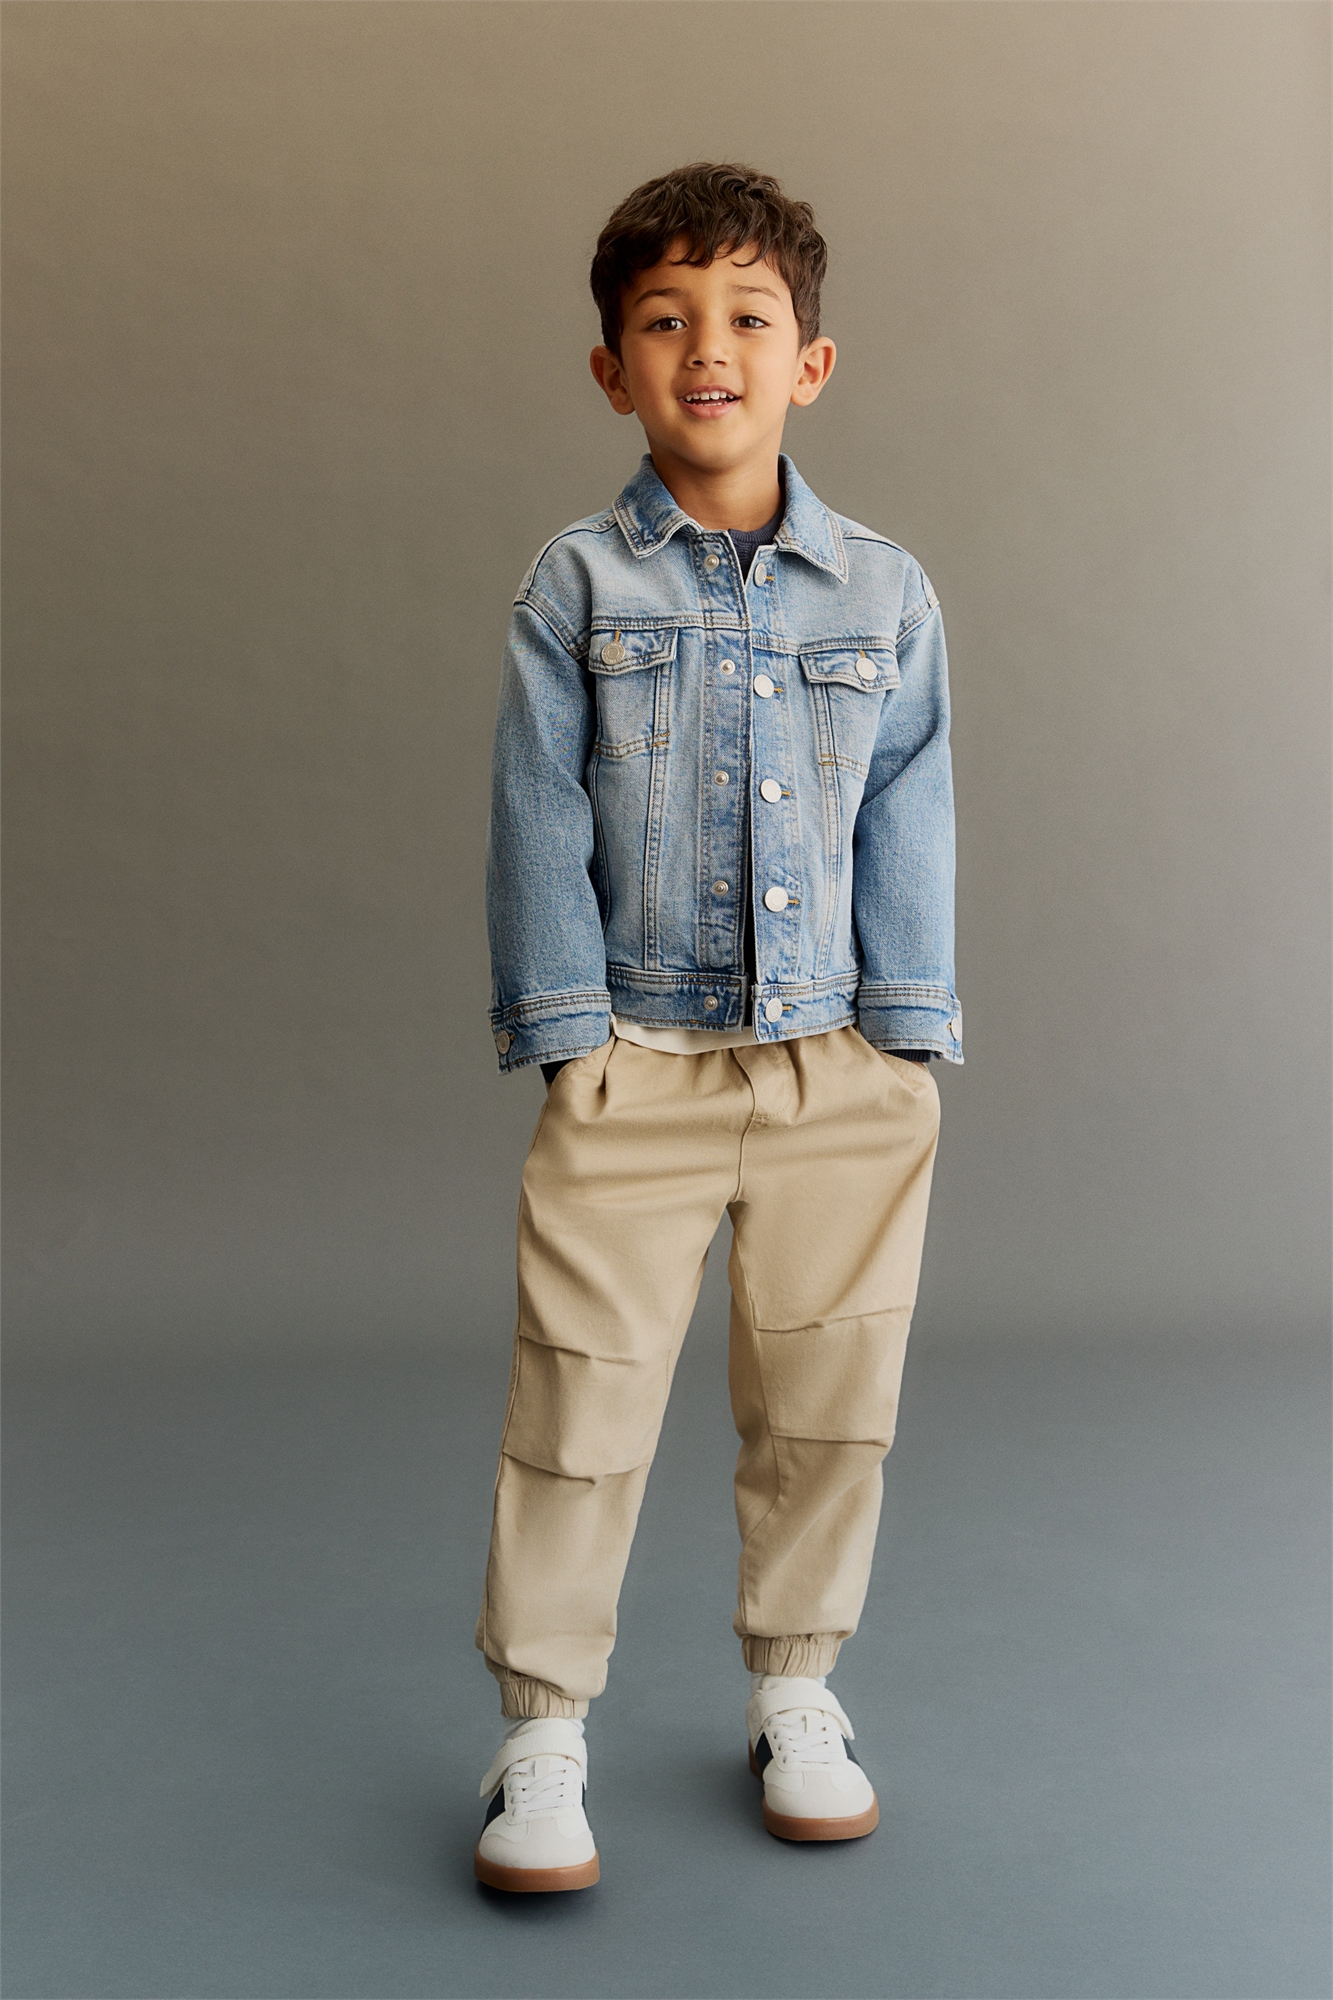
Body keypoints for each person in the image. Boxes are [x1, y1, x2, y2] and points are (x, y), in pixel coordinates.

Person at [473, 163, 960, 1893]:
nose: (707, 350)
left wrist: (900, 1042)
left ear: (806, 363)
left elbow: (909, 812)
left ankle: (796, 1692)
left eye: (747, 318)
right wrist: (570, 1039)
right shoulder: (577, 587)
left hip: (837, 1073)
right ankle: (542, 1732)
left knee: (830, 1401)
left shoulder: (883, 592)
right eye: (664, 320)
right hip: (637, 1062)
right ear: (611, 368)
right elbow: (536, 817)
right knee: (581, 1401)